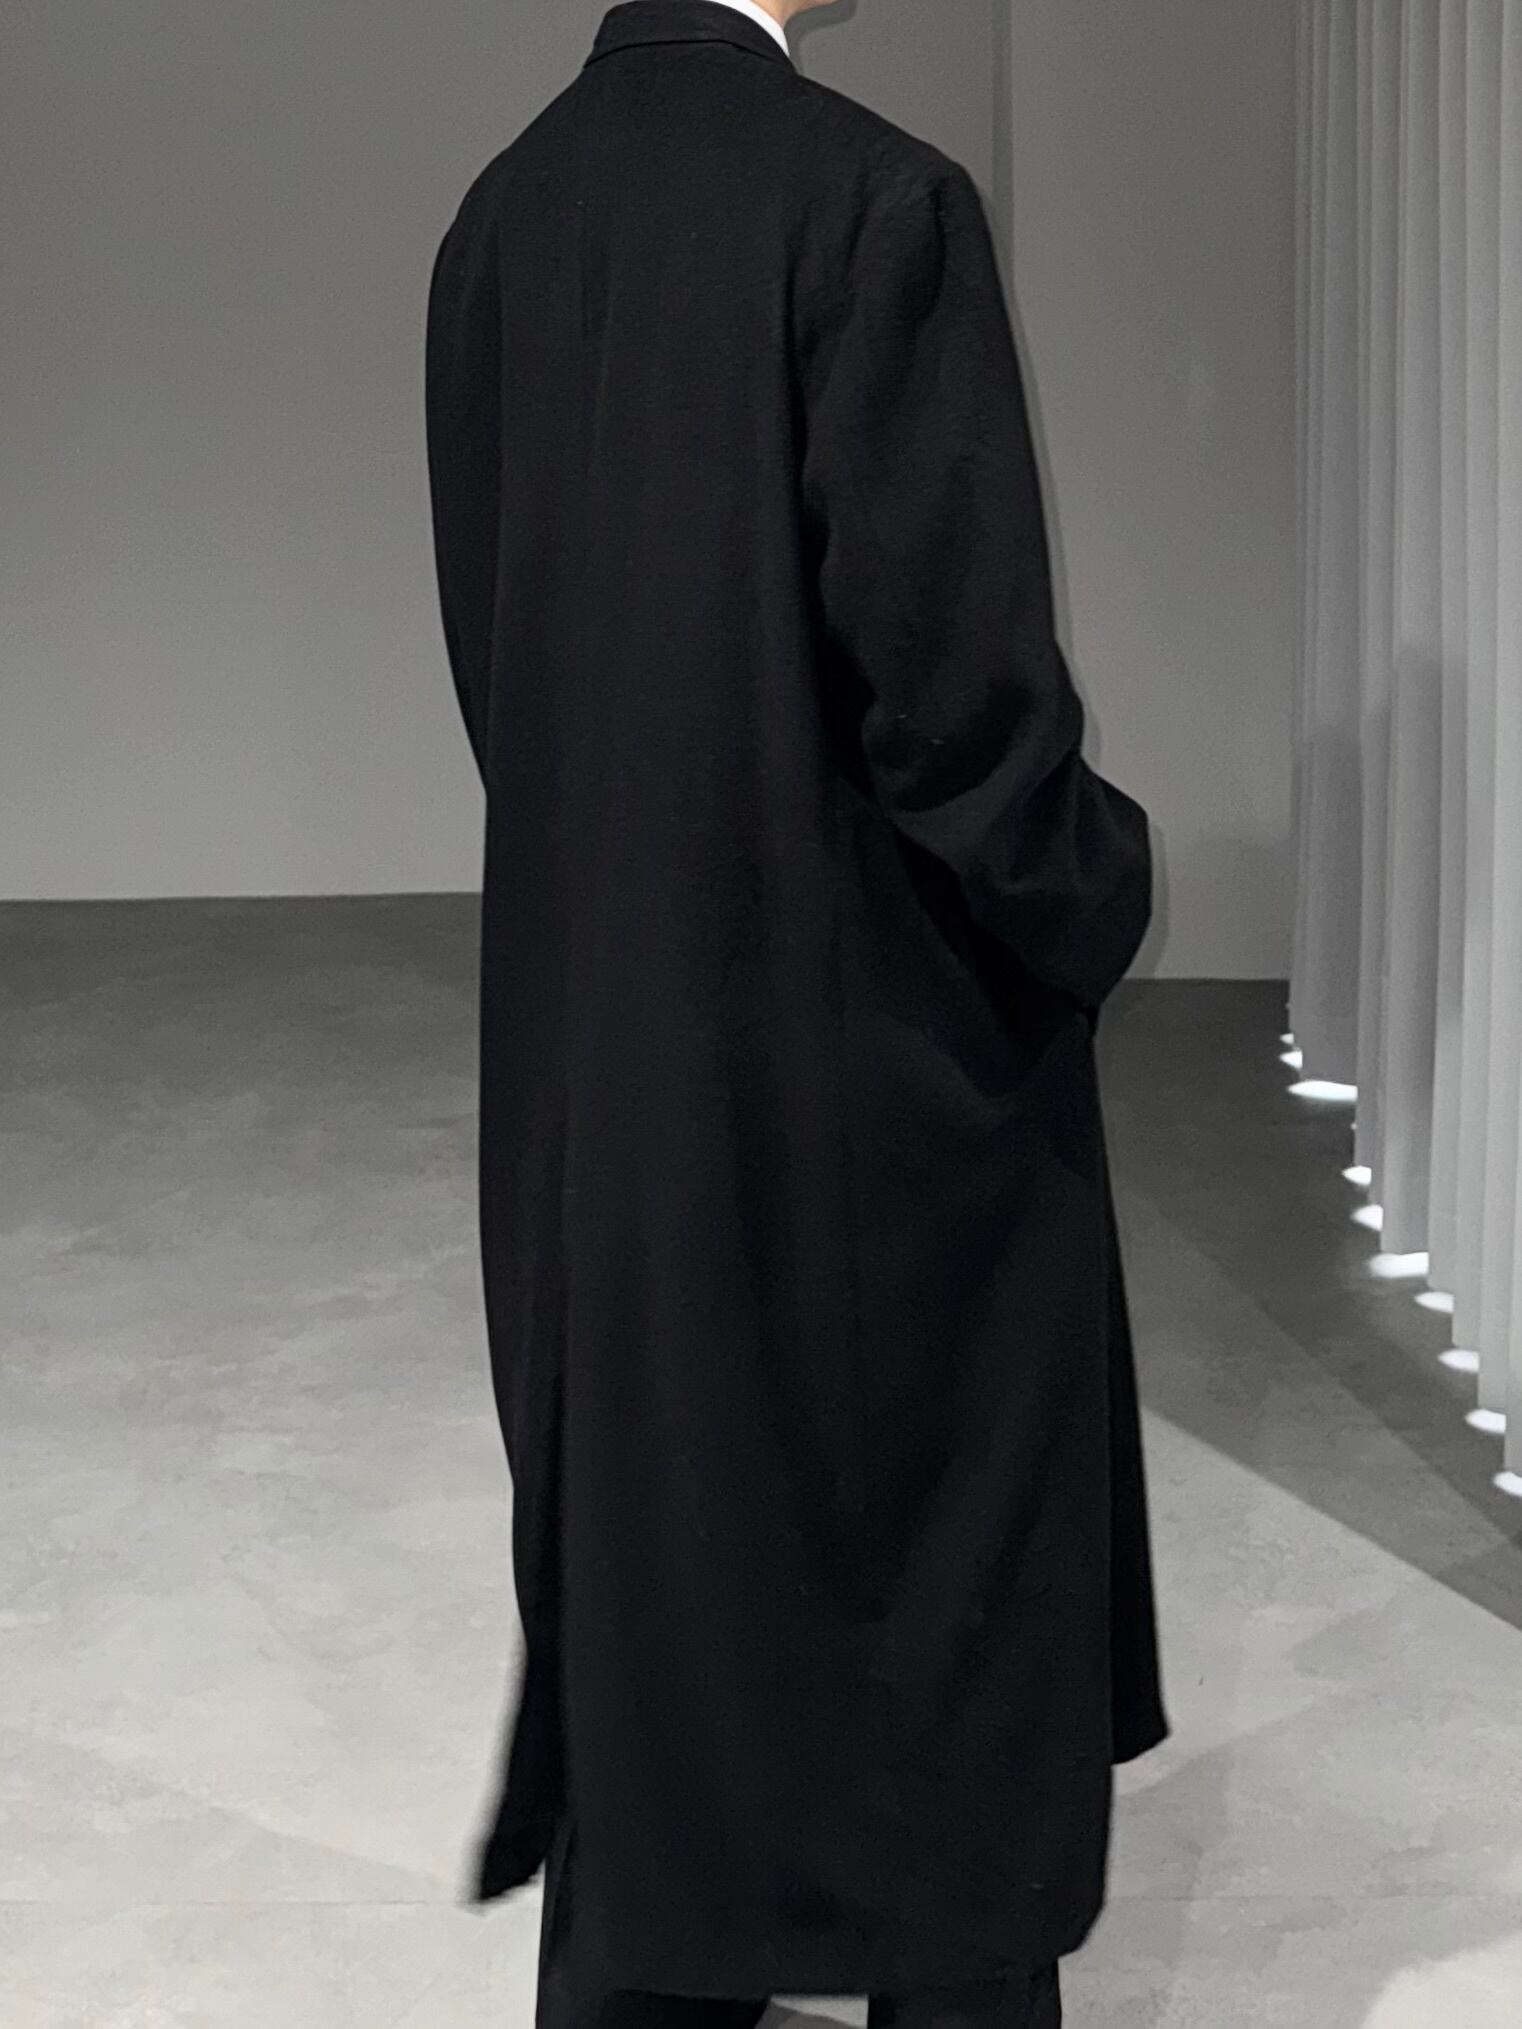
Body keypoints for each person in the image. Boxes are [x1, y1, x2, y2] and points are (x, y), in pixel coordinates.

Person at [424, 3, 1169, 2024]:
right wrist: (1094, 894)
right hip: (876, 1061)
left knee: (666, 1578)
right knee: (935, 1598)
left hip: (602, 1049)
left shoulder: (505, 217)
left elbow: (507, 660)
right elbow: (960, 705)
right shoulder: (873, 203)